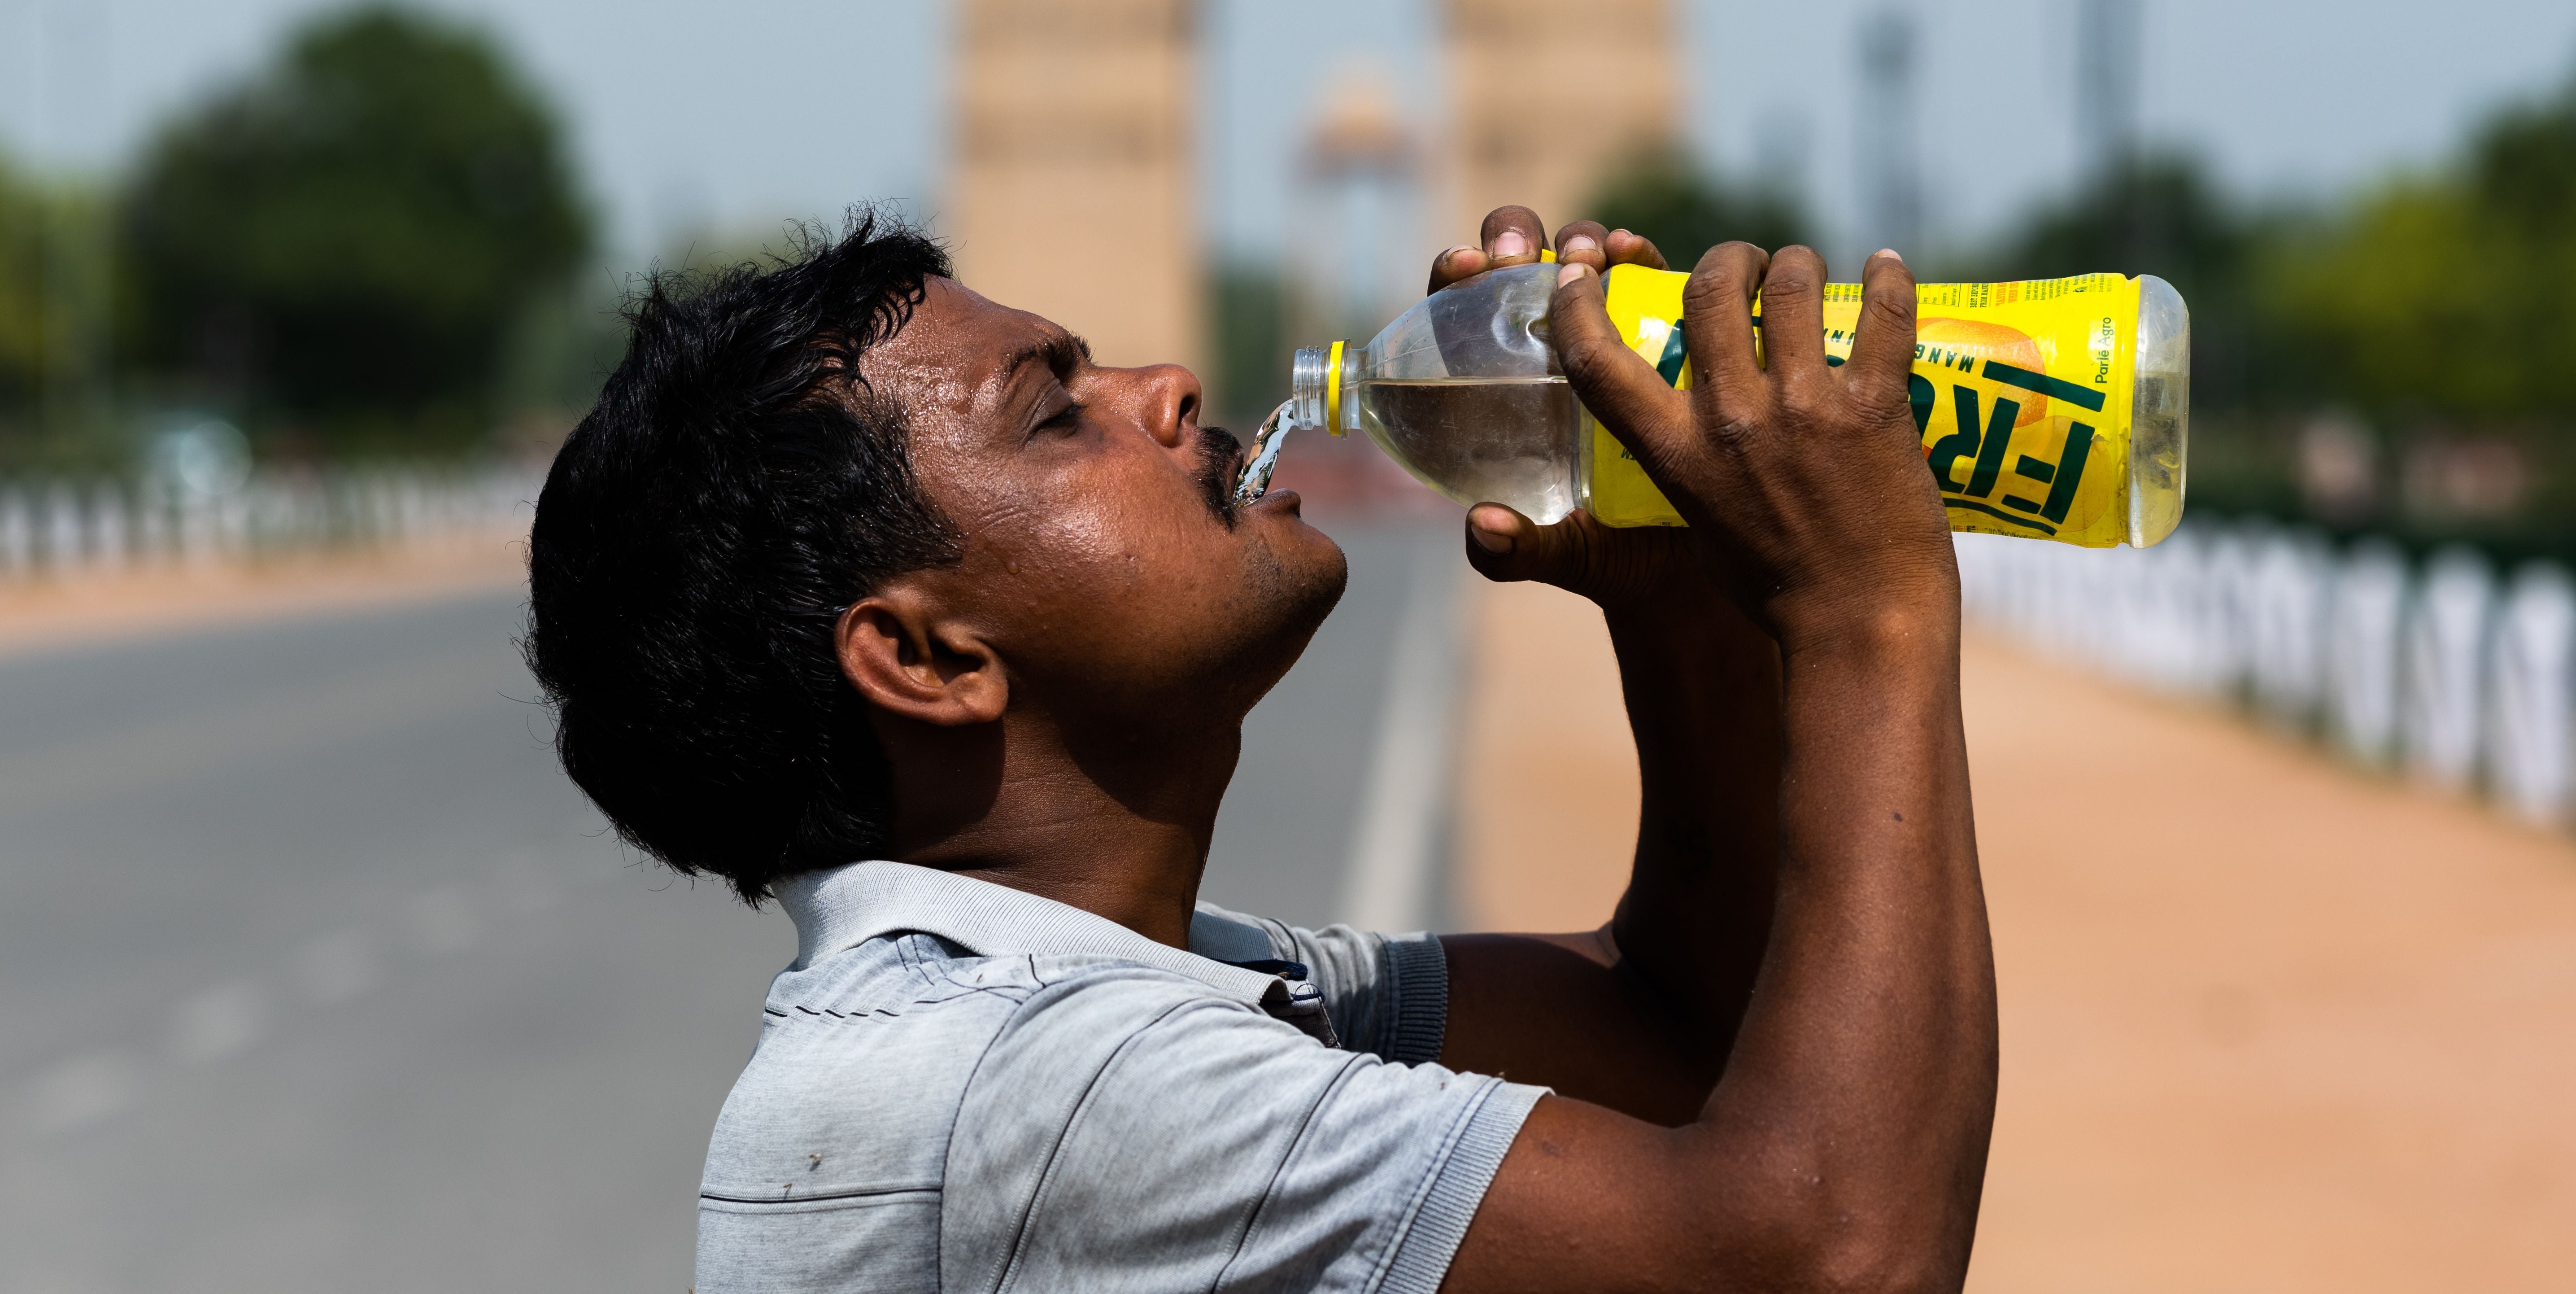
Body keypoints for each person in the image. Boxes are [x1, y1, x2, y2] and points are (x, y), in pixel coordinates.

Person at [524, 203, 1996, 1294]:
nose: (1165, 386)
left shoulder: (1092, 998)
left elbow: (1678, 1042)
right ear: (927, 658)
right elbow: (1834, 1263)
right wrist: (1862, 615)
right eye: (1055, 415)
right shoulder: (1036, 1087)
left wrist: (1677, 608)